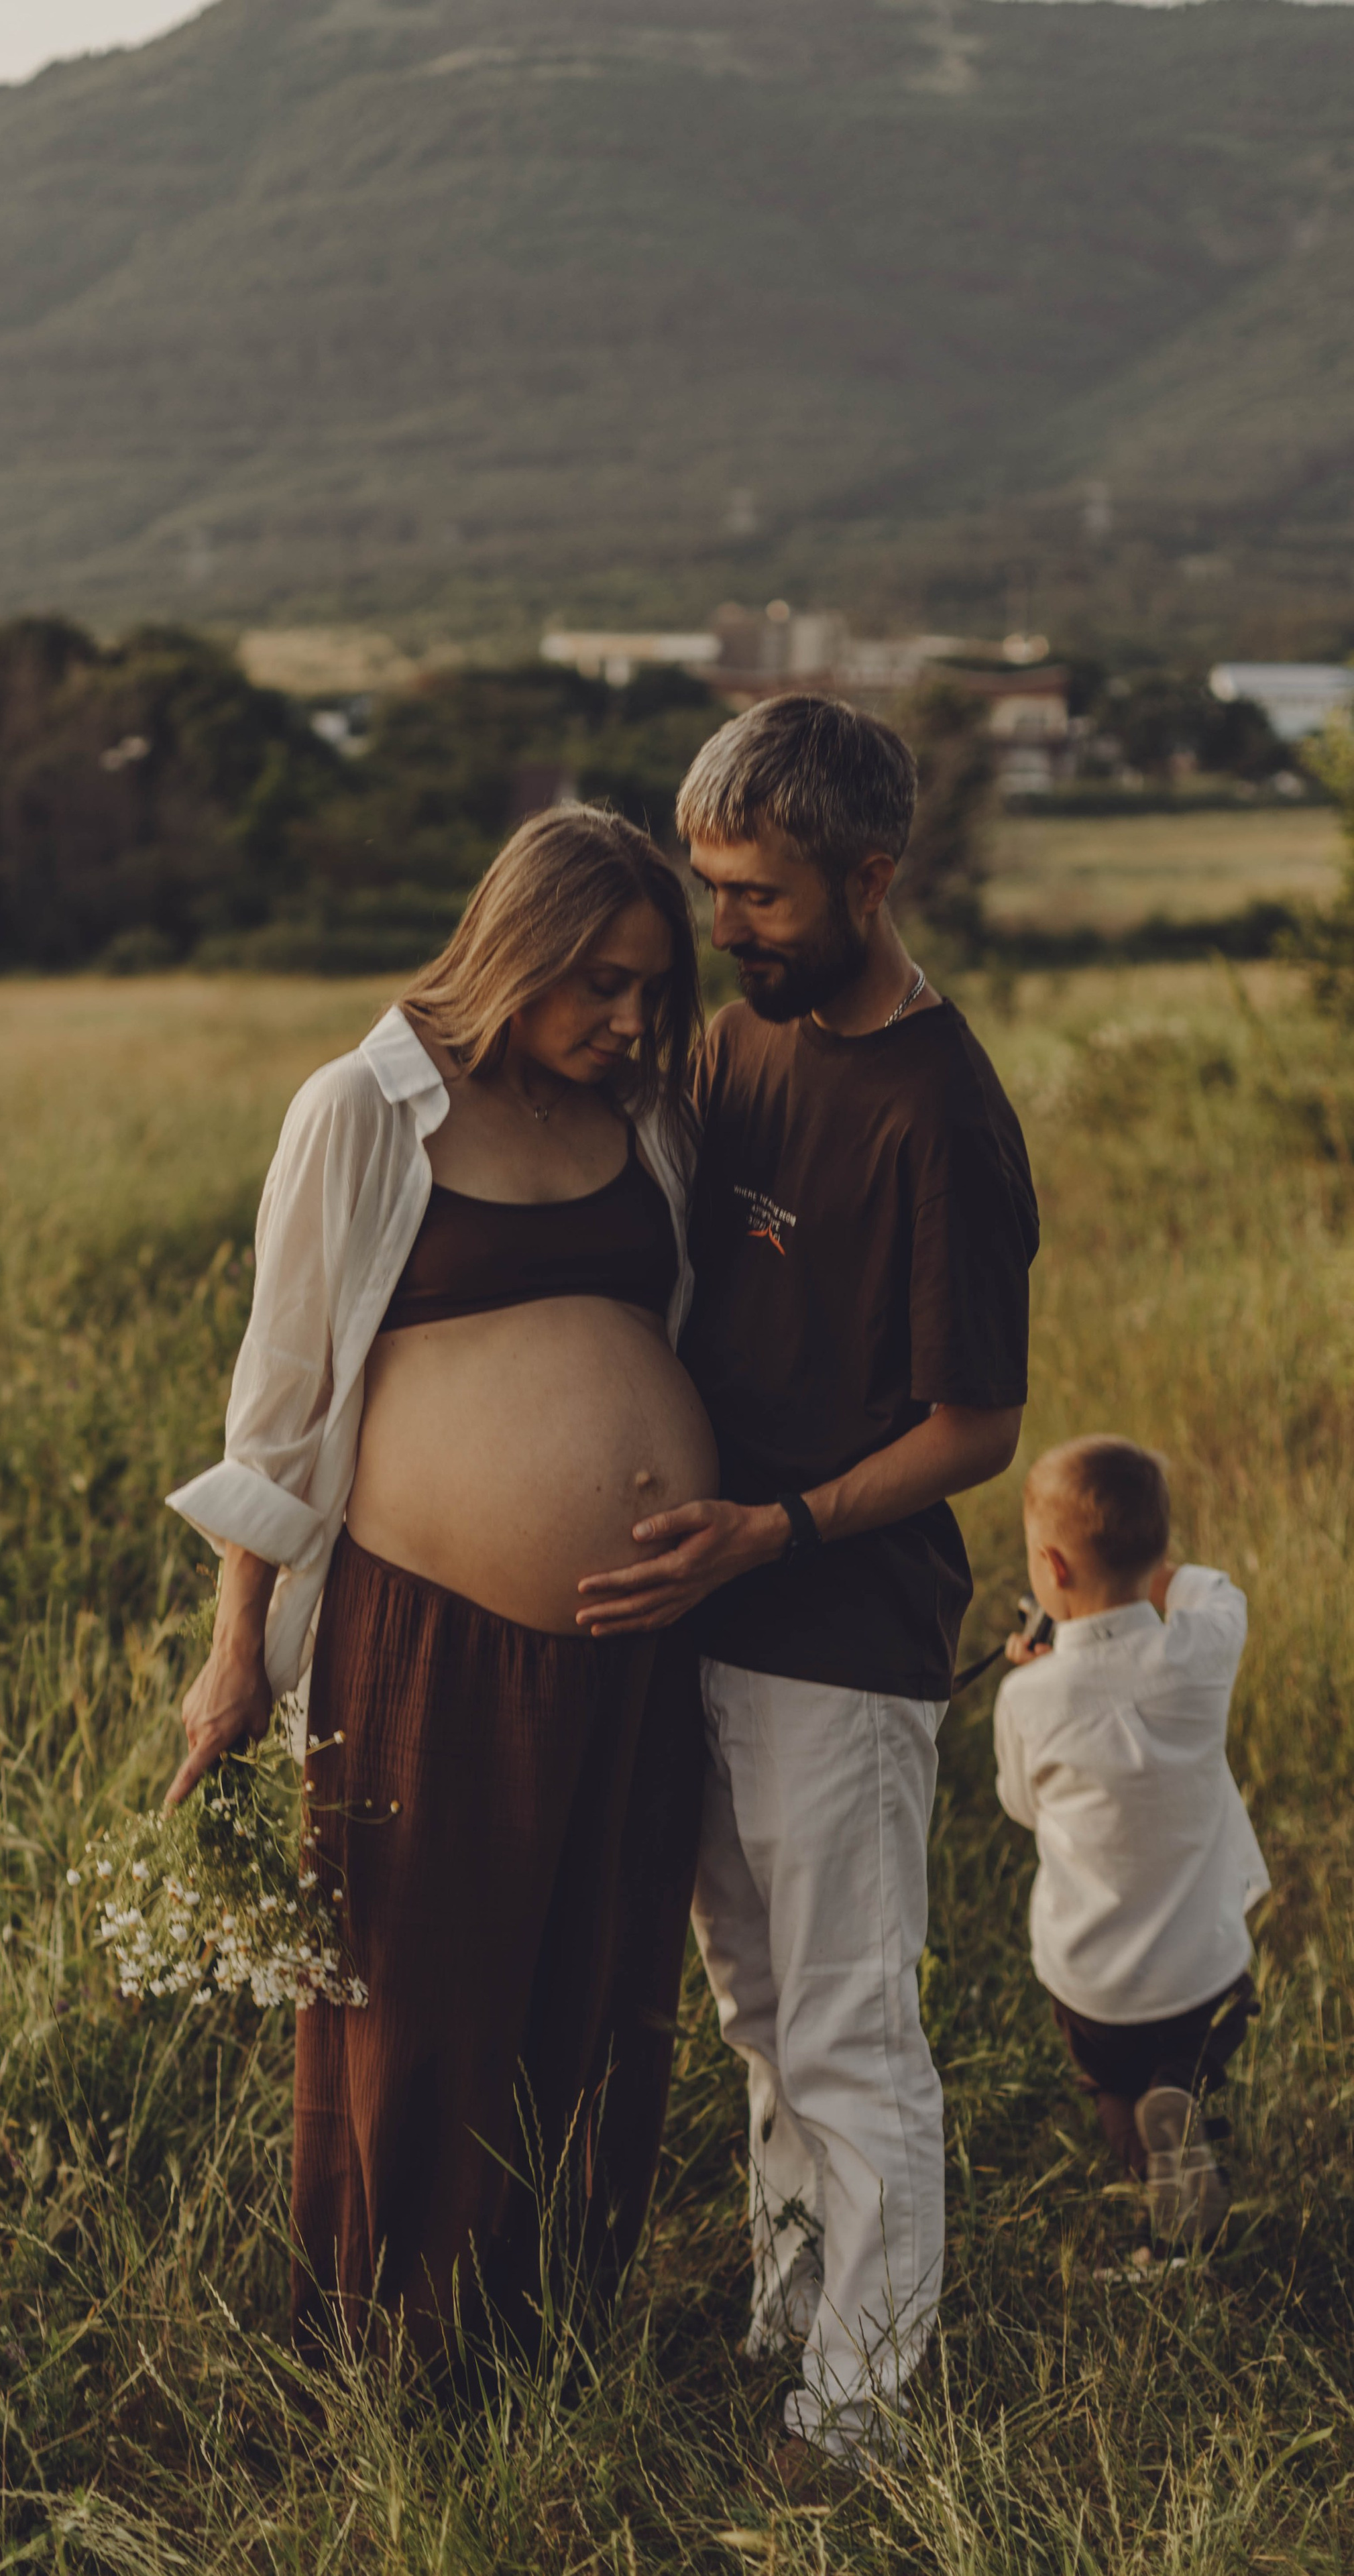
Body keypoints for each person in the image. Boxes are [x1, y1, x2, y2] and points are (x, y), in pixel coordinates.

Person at [164, 805, 717, 2365]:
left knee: (600, 1987)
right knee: (415, 1994)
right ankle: (388, 2350)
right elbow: (274, 1402)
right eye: (596, 984)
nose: (625, 1021)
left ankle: (552, 2324)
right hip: (425, 1636)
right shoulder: (364, 1106)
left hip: (635, 1650)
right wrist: (235, 1650)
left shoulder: (649, 1118)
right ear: (515, 951)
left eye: (648, 990)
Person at [577, 695, 1038, 2467]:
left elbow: (976, 1425)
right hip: (717, 1612)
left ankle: (864, 2412)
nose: (726, 930)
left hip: (840, 1635)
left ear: (870, 874)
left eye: (760, 896)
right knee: (760, 2017)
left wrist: (773, 1533)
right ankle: (795, 2317)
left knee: (850, 2033)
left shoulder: (945, 1115)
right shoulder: (743, 1043)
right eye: (711, 889)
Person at [994, 1437, 1268, 2259]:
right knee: (1198, 2039)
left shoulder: (1028, 1698)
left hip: (1092, 1980)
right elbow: (1217, 1594)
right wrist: (1154, 1575)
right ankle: (1178, 2097)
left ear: (1052, 1566)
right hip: (1199, 1966)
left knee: (1108, 2081)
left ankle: (1150, 2164)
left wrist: (1038, 1671)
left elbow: (1022, 1805)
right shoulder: (1201, 1649)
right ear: (1155, 1557)